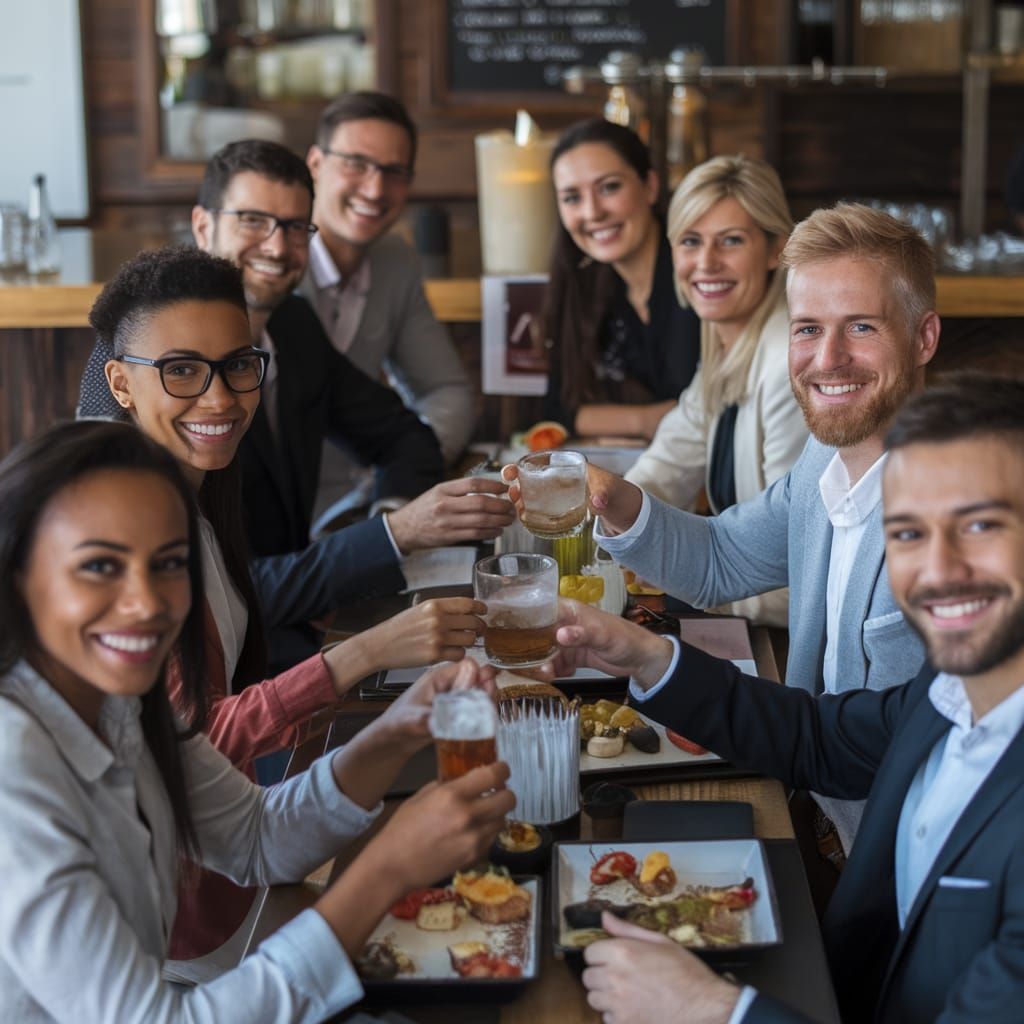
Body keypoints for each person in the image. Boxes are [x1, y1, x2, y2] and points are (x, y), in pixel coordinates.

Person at [0, 418, 514, 1023]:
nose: (147, 603)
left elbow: (257, 839)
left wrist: (397, 731)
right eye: (99, 567)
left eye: (169, 564)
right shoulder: (16, 773)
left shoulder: (118, 700)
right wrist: (388, 867)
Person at [551, 373, 1024, 1024]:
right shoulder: (955, 692)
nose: (938, 569)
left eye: (978, 525)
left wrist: (717, 1010)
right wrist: (645, 656)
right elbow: (820, 739)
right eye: (909, 533)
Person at [91, 244, 493, 960]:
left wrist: (399, 723)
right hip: (178, 936)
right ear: (121, 383)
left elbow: (235, 810)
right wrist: (365, 653)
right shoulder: (123, 548)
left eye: (238, 365)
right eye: (182, 370)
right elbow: (189, 745)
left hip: (242, 868)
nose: (219, 397)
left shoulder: (198, 496)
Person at [511, 203, 940, 851]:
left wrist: (655, 661)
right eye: (806, 329)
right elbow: (723, 557)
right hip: (809, 817)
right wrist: (616, 500)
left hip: (890, 867)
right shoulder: (825, 459)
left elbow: (869, 752)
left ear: (924, 338)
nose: (829, 358)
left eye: (861, 326)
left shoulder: (950, 517)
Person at [78, 139, 513, 670]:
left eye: (294, 228)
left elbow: (404, 436)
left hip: (292, 634)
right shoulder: (129, 368)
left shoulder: (294, 326)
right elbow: (203, 592)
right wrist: (391, 538)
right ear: (202, 225)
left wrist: (387, 515)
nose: (277, 246)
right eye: (254, 221)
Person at [623, 154, 808, 626]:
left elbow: (799, 564)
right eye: (690, 241)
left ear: (776, 251)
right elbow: (666, 465)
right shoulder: (727, 346)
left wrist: (676, 583)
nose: (705, 263)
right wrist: (607, 516)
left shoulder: (792, 363)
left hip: (792, 646)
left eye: (731, 241)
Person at [303, 91, 475, 524]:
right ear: (316, 165)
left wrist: (397, 480)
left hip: (367, 512)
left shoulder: (395, 262)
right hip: (270, 526)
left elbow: (447, 392)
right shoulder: (272, 264)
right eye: (356, 164)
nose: (375, 188)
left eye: (393, 171)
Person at [543, 118, 701, 439]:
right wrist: (647, 421)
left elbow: (718, 412)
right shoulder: (585, 285)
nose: (592, 213)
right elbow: (557, 410)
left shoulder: (702, 274)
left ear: (651, 187)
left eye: (609, 187)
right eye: (572, 197)